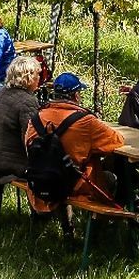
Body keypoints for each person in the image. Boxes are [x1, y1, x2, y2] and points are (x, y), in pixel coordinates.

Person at [22, 72, 125, 215]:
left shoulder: (36, 118)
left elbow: (28, 146)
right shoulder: (86, 121)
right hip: (75, 186)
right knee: (111, 178)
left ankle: (67, 226)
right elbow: (117, 141)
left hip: (40, 184)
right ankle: (105, 224)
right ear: (76, 96)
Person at [0, 54, 43, 190]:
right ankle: (42, 205)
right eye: (37, 75)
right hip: (5, 167)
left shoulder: (2, 92)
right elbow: (32, 140)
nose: (39, 78)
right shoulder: (27, 101)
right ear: (28, 77)